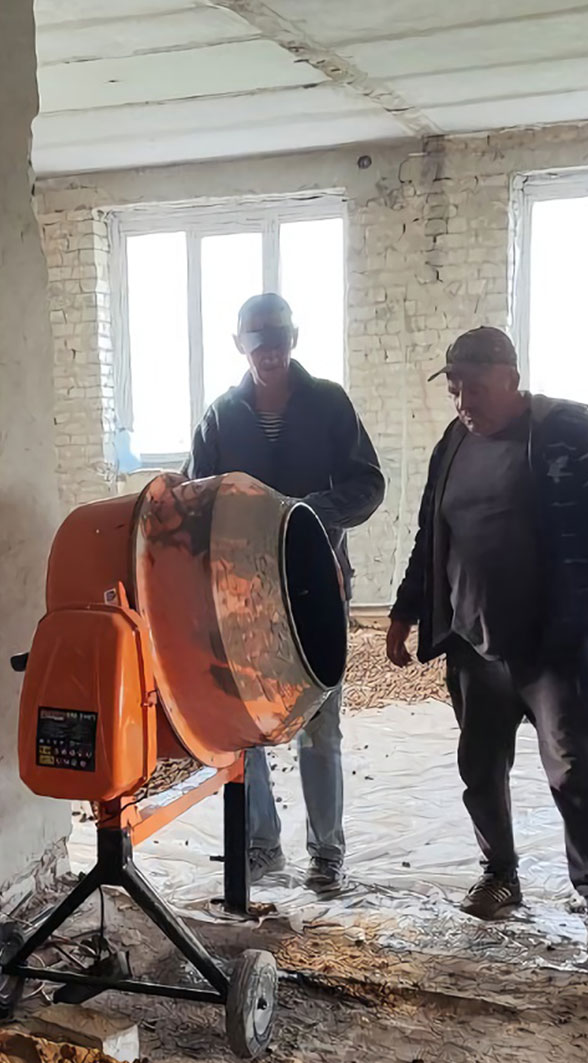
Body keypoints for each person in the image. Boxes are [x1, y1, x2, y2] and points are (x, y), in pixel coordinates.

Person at [386, 326, 588, 955]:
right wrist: (405, 611)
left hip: (555, 641)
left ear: (511, 379)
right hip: (474, 642)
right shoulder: (451, 445)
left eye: (474, 386)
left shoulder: (569, 431)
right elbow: (429, 536)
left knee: (575, 771)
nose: (463, 400)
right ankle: (500, 875)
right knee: (480, 768)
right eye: (454, 388)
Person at [185, 293, 385, 895]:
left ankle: (326, 852)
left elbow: (368, 484)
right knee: (243, 719)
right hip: (242, 595)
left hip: (316, 585)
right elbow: (194, 498)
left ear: (294, 338)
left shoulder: (328, 404)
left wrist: (307, 513)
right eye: (258, 342)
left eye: (278, 340)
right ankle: (260, 844)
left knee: (319, 722)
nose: (269, 352)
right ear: (239, 345)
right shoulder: (222, 417)